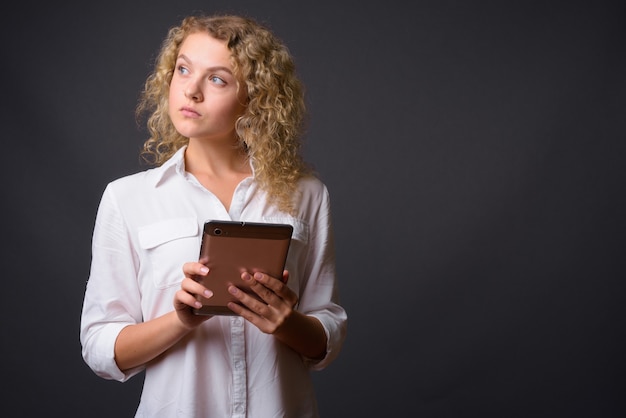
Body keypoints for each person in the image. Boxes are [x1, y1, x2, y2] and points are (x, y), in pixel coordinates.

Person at [80, 14, 347, 418]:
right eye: (183, 69)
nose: (191, 90)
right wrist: (181, 319)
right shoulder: (127, 198)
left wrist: (285, 321)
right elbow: (100, 347)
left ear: (255, 98)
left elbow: (327, 335)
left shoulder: (306, 194)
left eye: (217, 79)